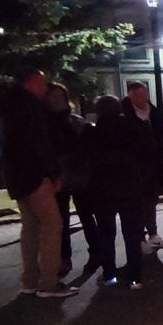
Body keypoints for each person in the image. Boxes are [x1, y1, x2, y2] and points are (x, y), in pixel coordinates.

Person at [0, 69, 77, 298]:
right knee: (52, 225)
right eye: (43, 83)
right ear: (33, 82)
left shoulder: (8, 107)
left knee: (30, 227)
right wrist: (53, 172)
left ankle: (29, 281)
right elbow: (39, 144)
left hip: (15, 174)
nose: (46, 87)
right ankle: (48, 283)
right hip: (33, 174)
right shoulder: (29, 109)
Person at [83, 96, 145, 290]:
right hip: (130, 187)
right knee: (132, 234)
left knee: (106, 234)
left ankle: (110, 275)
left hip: (102, 190)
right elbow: (147, 154)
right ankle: (135, 277)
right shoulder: (133, 127)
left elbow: (86, 161)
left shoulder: (91, 132)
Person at [44, 83, 100, 276]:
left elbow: (87, 150)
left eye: (60, 97)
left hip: (80, 176)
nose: (56, 101)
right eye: (52, 97)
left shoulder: (76, 122)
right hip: (58, 177)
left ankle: (95, 253)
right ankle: (64, 258)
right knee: (61, 221)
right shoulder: (45, 124)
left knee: (87, 217)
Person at [123, 82, 163, 255]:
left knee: (151, 201)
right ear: (131, 96)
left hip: (153, 166)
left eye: (146, 94)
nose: (144, 99)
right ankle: (139, 239)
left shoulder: (152, 111)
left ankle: (153, 234)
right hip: (135, 168)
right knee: (137, 204)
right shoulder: (125, 114)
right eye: (140, 95)